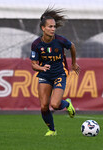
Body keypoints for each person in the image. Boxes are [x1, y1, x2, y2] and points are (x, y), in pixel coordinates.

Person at [30, 7, 80, 136]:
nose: (53, 29)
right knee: (44, 106)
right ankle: (52, 130)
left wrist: (73, 63)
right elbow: (33, 65)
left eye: (54, 27)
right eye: (50, 27)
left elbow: (72, 46)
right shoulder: (36, 44)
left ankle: (67, 104)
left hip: (59, 74)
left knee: (55, 104)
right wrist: (41, 68)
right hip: (45, 76)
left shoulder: (60, 40)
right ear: (43, 28)